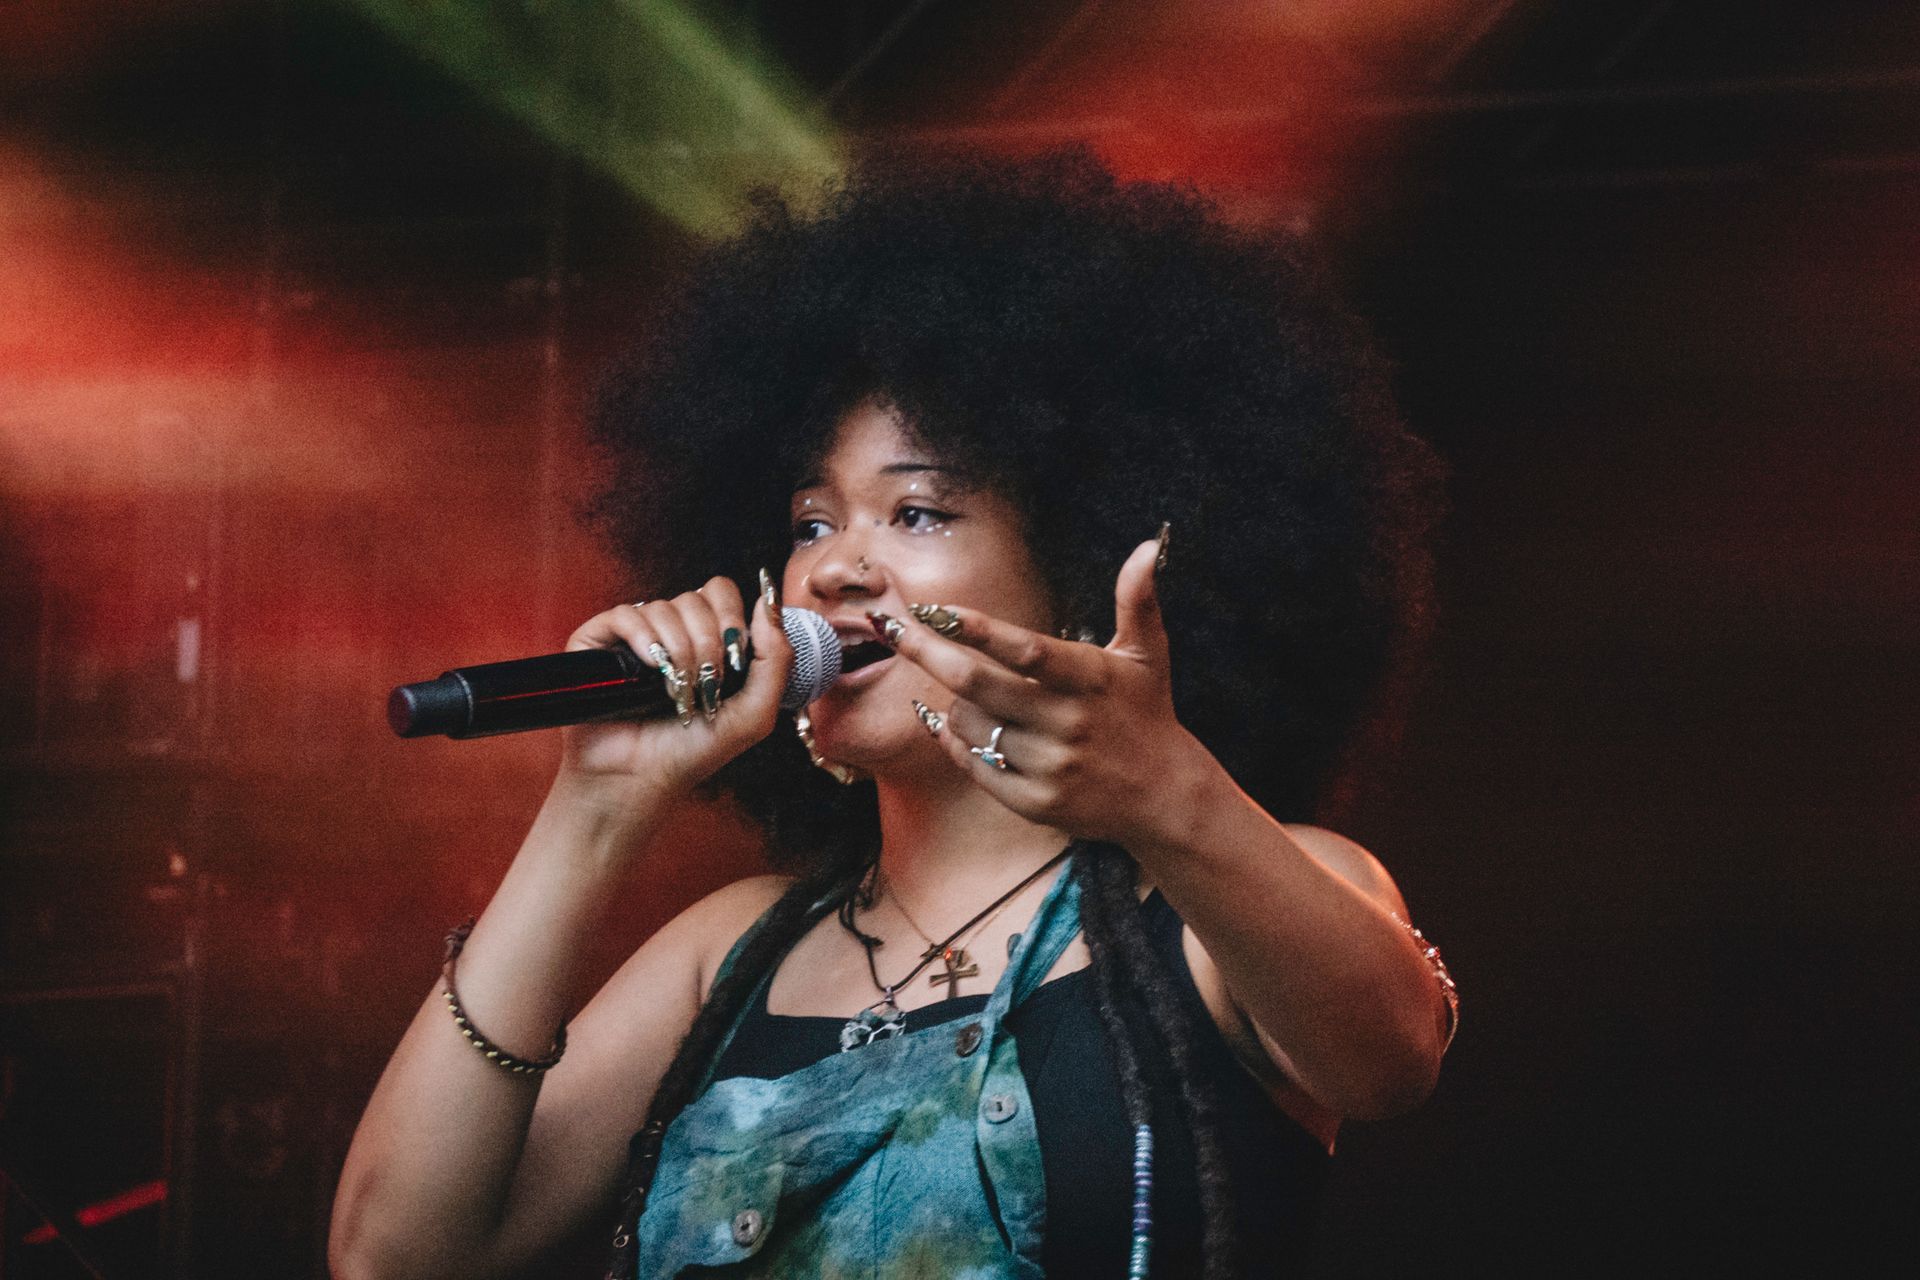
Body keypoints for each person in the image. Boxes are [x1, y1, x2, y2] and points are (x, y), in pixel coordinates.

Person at [329, 148, 1457, 1280]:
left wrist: (1168, 790)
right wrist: (597, 803)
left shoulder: (1228, 910)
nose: (834, 568)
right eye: (811, 524)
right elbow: (392, 1254)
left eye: (915, 512)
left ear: (1074, 574)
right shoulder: (729, 953)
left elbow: (1390, 1059)